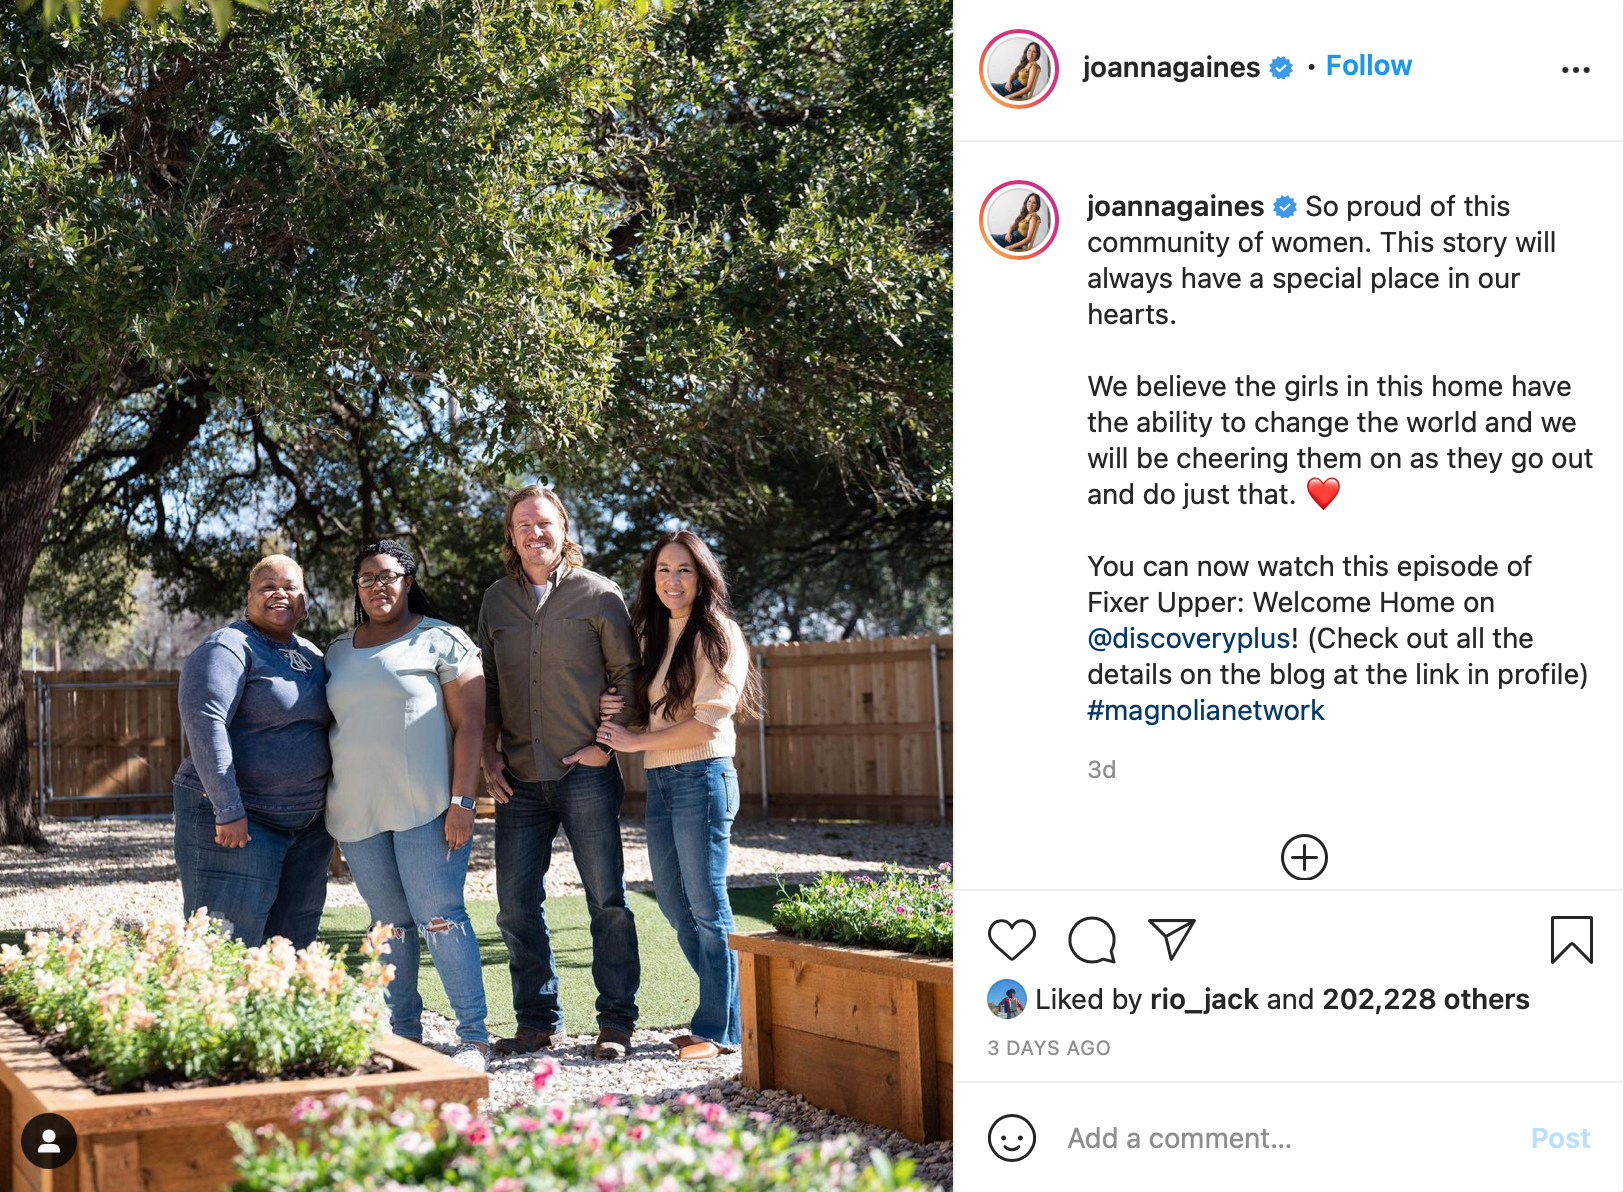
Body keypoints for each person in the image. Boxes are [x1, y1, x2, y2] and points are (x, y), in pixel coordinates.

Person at [478, 486, 641, 1060]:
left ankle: (617, 1022)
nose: (534, 533)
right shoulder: (496, 601)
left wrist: (604, 746)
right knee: (515, 905)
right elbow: (489, 688)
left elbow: (628, 675)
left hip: (586, 773)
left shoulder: (599, 595)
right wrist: (488, 755)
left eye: (543, 523)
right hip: (518, 778)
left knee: (607, 901)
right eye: (523, 525)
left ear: (563, 528)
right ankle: (537, 1020)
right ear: (511, 535)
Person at [325, 540, 491, 1072]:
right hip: (357, 813)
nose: (378, 586)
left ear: (408, 580)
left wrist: (463, 800)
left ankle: (474, 1036)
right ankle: (403, 1037)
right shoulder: (335, 653)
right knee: (389, 926)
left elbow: (471, 725)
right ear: (356, 587)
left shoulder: (442, 640)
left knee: (440, 918)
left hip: (430, 810)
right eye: (367, 577)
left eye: (389, 575)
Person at [595, 531, 760, 1061]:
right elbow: (651, 710)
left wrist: (637, 742)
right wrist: (612, 710)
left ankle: (717, 1029)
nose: (673, 580)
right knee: (671, 900)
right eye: (663, 570)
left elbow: (709, 723)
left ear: (702, 576)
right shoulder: (653, 637)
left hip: (704, 777)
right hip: (664, 783)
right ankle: (730, 1017)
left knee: (709, 906)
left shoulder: (721, 634)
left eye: (684, 570)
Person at [173, 554, 332, 947]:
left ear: (305, 601)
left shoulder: (311, 654)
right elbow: (206, 726)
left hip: (308, 828)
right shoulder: (228, 647)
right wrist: (229, 809)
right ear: (249, 597)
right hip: (242, 821)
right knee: (228, 945)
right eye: (268, 587)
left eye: (291, 587)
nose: (281, 594)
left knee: (291, 950)